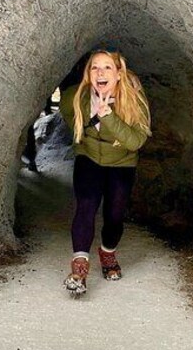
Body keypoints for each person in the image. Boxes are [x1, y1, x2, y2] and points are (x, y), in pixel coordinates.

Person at [58, 50, 152, 295]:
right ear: (88, 74)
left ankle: (107, 252)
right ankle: (79, 267)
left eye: (107, 68)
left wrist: (108, 116)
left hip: (122, 162)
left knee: (115, 215)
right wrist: (82, 138)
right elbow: (67, 114)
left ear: (118, 74)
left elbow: (135, 141)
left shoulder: (134, 99)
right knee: (86, 205)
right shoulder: (76, 97)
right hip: (88, 157)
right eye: (94, 68)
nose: (100, 72)